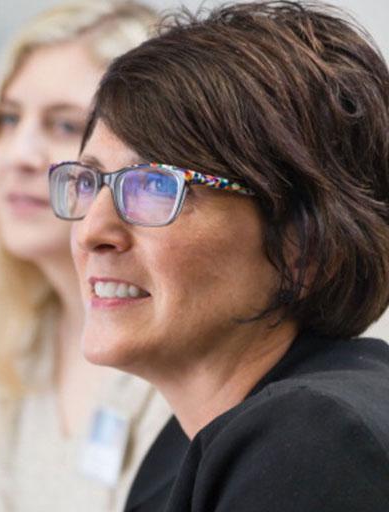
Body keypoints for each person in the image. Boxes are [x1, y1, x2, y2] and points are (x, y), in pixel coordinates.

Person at [50, 1, 389, 510]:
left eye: (154, 186)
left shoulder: (314, 442)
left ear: (305, 243)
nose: (91, 231)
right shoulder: (184, 448)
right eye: (91, 181)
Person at [0, 2, 183, 511]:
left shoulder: (183, 355)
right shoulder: (16, 333)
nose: (18, 155)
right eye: (8, 119)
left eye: (62, 126)